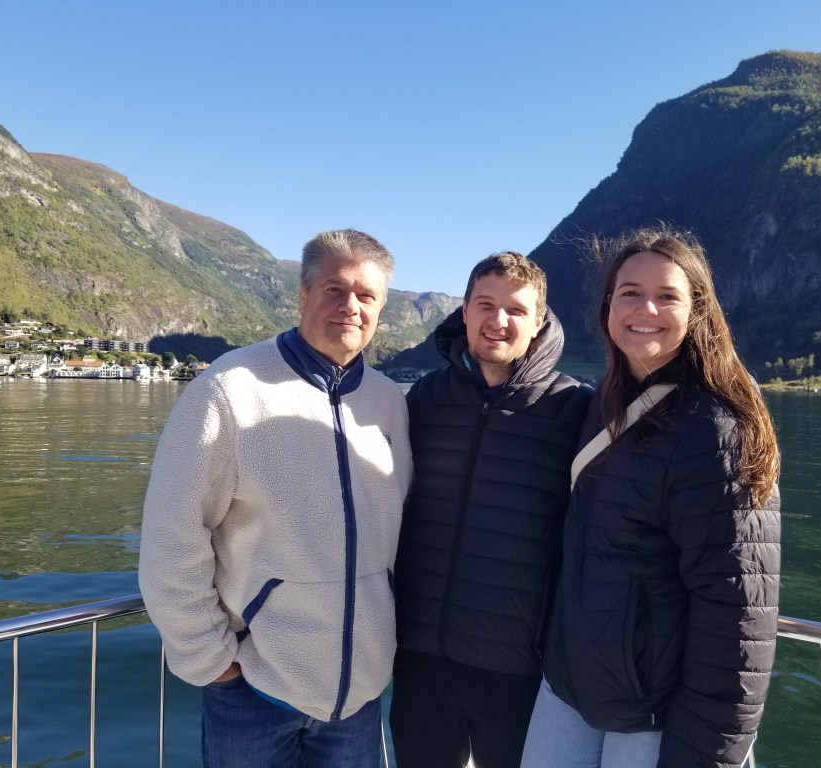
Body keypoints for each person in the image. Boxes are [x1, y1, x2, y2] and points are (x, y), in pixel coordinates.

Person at [138, 229, 413, 768]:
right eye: (335, 289)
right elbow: (171, 532)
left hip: (358, 698)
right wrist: (209, 660)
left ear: (381, 309)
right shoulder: (230, 389)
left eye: (366, 296)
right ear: (303, 295)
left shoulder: (388, 403)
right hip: (254, 692)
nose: (350, 307)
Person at [521, 225, 781, 768]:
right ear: (608, 307)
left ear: (697, 311)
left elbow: (738, 607)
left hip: (656, 712)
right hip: (571, 686)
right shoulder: (603, 406)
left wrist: (707, 753)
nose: (647, 308)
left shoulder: (714, 428)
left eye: (668, 296)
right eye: (630, 293)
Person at [390, 252, 592, 768]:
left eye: (516, 310)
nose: (498, 321)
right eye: (485, 304)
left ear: (540, 321)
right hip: (419, 657)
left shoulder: (573, 410)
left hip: (517, 669)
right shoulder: (424, 398)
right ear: (464, 311)